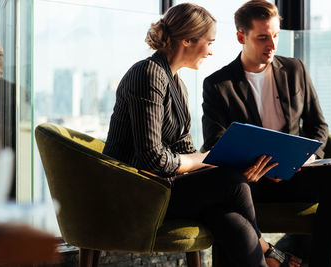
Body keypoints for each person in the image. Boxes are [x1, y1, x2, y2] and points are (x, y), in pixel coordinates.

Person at [103, 3, 302, 267]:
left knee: (232, 222)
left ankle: (266, 254)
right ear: (187, 40)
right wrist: (207, 160)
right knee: (232, 182)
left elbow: (184, 148)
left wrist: (220, 161)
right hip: (137, 194)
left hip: (162, 187)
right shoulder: (148, 74)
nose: (211, 51)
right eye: (209, 42)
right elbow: (152, 159)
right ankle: (267, 250)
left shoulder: (176, 83)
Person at [201, 1, 331, 267]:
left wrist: (308, 157)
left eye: (275, 35)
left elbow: (319, 126)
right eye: (262, 38)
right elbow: (215, 140)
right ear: (241, 37)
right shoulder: (218, 84)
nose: (272, 45)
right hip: (251, 183)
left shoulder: (295, 69)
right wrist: (247, 166)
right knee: (225, 192)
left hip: (297, 174)